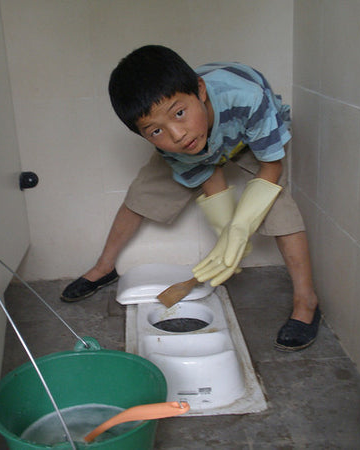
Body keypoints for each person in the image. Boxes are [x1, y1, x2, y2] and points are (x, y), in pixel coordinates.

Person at [61, 45, 320, 351]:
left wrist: (242, 227)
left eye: (180, 113)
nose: (176, 135)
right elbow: (209, 171)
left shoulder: (248, 98)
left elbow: (271, 164)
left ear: (200, 90)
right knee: (142, 194)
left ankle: (307, 300)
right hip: (203, 149)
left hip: (248, 136)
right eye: (156, 130)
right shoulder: (170, 142)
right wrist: (227, 232)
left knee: (278, 207)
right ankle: (103, 268)